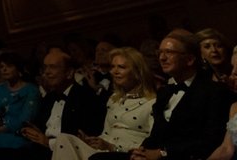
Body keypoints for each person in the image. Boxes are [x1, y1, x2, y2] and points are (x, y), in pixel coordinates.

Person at [93, 31, 230, 160]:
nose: (162, 58)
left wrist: (163, 153)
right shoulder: (165, 92)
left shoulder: (214, 92)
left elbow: (211, 140)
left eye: (169, 52)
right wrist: (141, 151)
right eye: (160, 52)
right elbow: (156, 134)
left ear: (189, 59)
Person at [0, 47, 106, 160]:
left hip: (64, 153)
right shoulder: (49, 98)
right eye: (45, 67)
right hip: (40, 149)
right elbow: (37, 126)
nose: (46, 72)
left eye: (53, 67)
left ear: (69, 73)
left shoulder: (85, 97)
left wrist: (48, 142)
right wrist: (30, 131)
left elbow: (81, 138)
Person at [50, 46, 156, 160]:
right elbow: (107, 134)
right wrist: (92, 141)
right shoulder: (114, 99)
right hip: (103, 152)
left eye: (121, 67)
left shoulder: (152, 103)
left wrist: (112, 147)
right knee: (64, 139)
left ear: (137, 71)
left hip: (126, 155)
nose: (114, 71)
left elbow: (151, 143)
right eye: (113, 67)